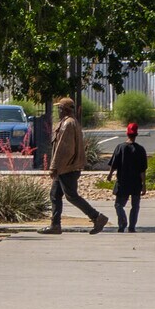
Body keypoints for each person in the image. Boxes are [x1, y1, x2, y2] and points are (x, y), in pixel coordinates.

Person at [40, 96, 108, 235]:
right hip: (65, 167)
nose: (57, 111)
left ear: (64, 110)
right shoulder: (71, 122)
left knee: (71, 196)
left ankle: (96, 216)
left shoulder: (68, 124)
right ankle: (55, 225)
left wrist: (54, 166)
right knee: (54, 195)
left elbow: (63, 148)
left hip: (67, 168)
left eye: (59, 108)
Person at [110, 121, 148, 233]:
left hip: (122, 182)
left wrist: (109, 175)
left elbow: (114, 164)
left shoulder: (120, 148)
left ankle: (122, 223)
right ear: (136, 134)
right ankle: (132, 226)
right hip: (136, 182)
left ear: (127, 133)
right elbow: (143, 170)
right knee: (135, 206)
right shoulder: (141, 150)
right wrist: (144, 184)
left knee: (118, 205)